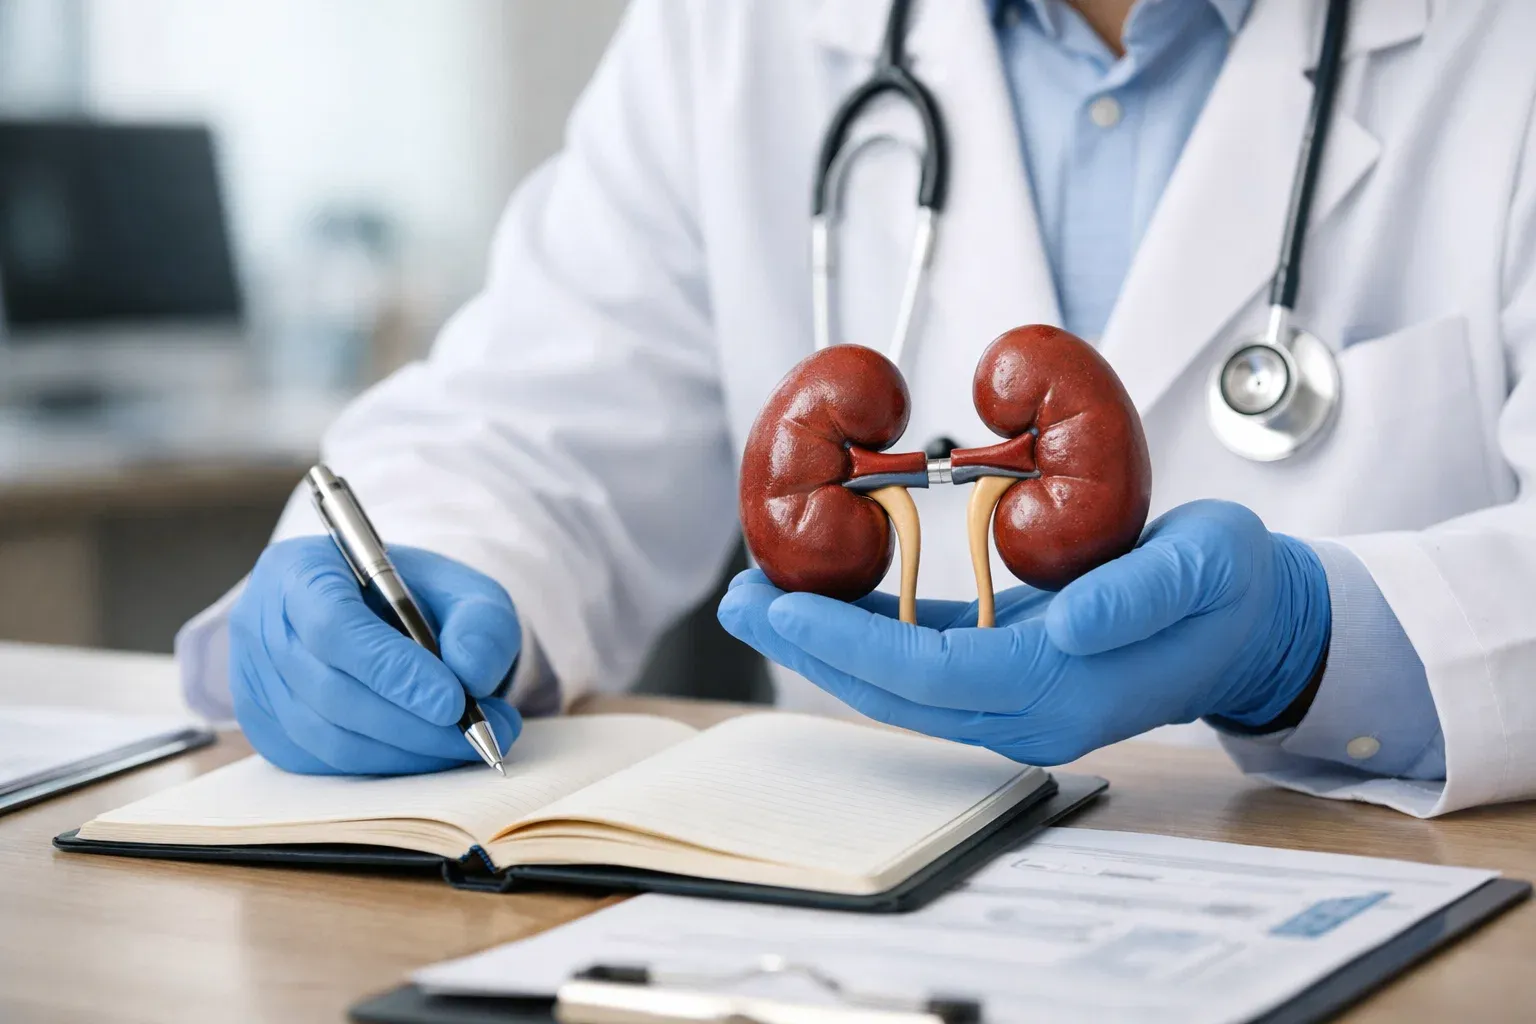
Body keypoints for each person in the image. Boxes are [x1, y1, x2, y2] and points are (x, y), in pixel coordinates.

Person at [180, 0, 1536, 818]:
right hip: (844, 938)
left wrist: (1309, 644)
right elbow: (529, 419)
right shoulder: (738, 28)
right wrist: (415, 573)